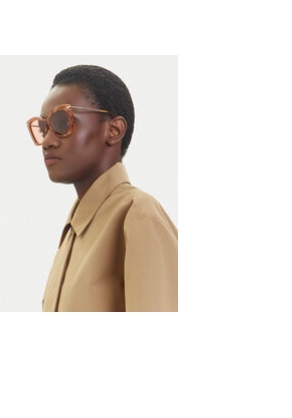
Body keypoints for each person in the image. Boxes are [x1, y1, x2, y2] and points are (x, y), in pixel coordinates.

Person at [26, 65, 178, 312]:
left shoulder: (137, 214)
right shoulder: (72, 235)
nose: (47, 142)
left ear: (114, 130)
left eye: (62, 122)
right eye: (43, 128)